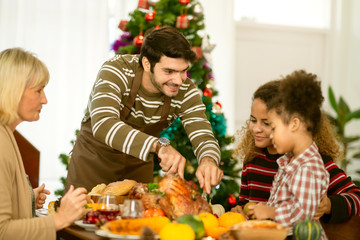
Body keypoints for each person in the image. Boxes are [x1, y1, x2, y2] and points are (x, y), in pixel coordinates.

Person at [65, 26, 223, 194]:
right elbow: (103, 124)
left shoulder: (186, 91)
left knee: (139, 219)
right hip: (93, 165)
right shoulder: (117, 70)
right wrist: (159, 146)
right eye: (169, 71)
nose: (178, 80)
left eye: (183, 71)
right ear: (147, 63)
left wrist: (208, 161)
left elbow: (203, 135)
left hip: (138, 168)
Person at [232, 73, 360, 224]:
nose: (256, 128)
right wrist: (238, 211)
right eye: (253, 120)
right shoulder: (252, 160)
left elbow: (356, 197)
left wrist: (329, 205)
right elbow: (244, 205)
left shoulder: (314, 162)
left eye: (266, 123)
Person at [0, 48, 88, 239]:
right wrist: (60, 218)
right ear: (13, 90)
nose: (45, 99)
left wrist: (26, 197)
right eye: (39, 90)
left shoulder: (7, 133)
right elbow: (2, 232)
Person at [247, 70, 329, 239]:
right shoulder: (292, 161)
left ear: (294, 125)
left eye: (274, 128)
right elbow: (286, 202)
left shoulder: (308, 167)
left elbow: (303, 214)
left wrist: (271, 212)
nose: (271, 135)